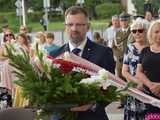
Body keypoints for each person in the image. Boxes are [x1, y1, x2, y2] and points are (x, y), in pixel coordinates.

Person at [49, 6, 115, 120]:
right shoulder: (53, 55)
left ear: (88, 27)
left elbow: (112, 87)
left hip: (92, 116)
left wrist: (93, 104)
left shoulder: (104, 52)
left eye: (79, 24)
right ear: (65, 27)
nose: (74, 28)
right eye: (70, 24)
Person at [122, 21, 147, 120]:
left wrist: (146, 84)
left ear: (146, 31)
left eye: (140, 30)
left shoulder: (152, 47)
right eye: (134, 31)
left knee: (152, 117)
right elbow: (124, 71)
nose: (137, 33)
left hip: (149, 91)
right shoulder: (129, 48)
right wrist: (137, 83)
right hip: (134, 91)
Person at [136, 20, 160, 119]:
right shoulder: (145, 51)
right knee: (153, 118)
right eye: (156, 31)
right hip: (148, 97)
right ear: (151, 33)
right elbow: (138, 72)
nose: (159, 34)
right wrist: (151, 85)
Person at [113, 12, 131, 79]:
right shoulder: (117, 33)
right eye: (121, 20)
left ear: (129, 20)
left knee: (131, 83)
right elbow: (113, 47)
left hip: (130, 61)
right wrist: (118, 56)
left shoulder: (133, 31)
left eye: (125, 20)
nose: (123, 22)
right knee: (120, 81)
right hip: (120, 61)